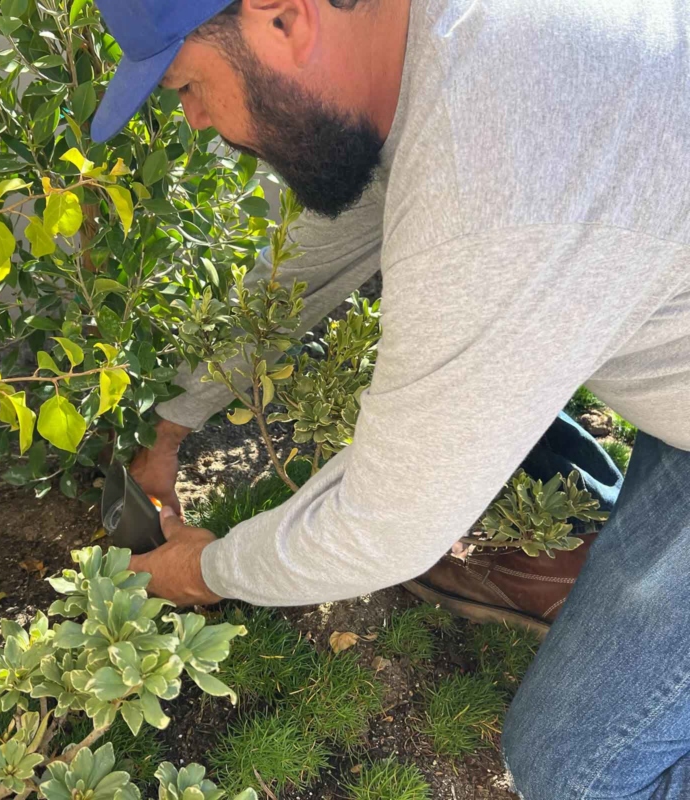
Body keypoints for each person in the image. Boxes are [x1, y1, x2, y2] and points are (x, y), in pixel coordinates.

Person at [90, 1, 690, 797]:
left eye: (186, 86)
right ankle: (567, 554)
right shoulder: (434, 47)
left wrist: (202, 571)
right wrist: (171, 425)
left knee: (576, 769)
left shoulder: (495, 177)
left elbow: (384, 526)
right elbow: (314, 261)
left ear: (283, 18)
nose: (197, 122)